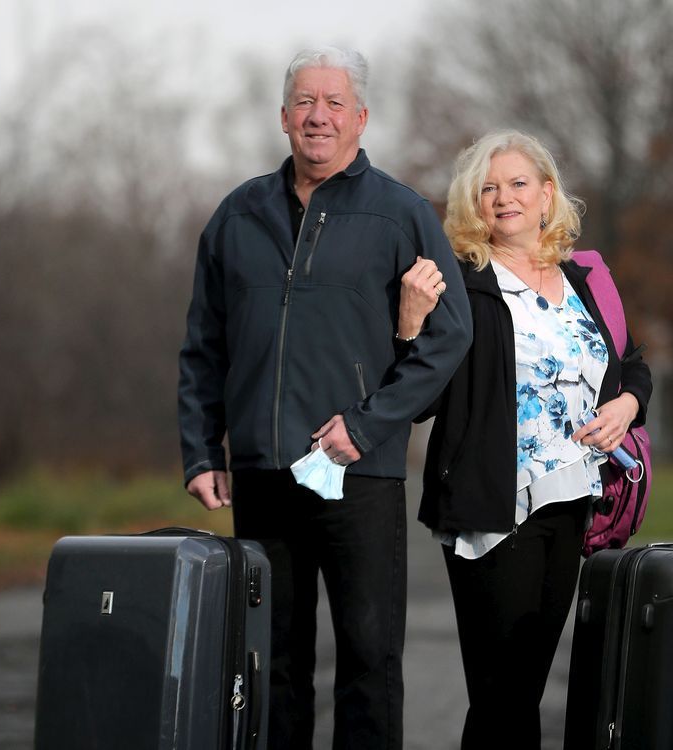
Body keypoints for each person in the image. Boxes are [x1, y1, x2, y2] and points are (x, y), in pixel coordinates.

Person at [177, 46, 472, 750]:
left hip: (357, 474)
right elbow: (202, 347)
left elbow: (449, 335)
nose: (318, 116)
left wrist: (367, 427)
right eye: (305, 102)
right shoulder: (236, 216)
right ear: (283, 117)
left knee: (369, 659)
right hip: (260, 471)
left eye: (334, 104)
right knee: (271, 659)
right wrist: (199, 449)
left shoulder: (401, 215)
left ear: (361, 119)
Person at [402, 130, 652, 749]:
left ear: (547, 195)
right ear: (472, 204)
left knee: (526, 689)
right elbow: (422, 397)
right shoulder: (463, 283)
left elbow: (631, 360)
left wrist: (627, 403)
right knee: (502, 693)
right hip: (494, 505)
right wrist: (409, 327)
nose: (503, 197)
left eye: (517, 184)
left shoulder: (585, 277)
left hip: (572, 500)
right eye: (488, 188)